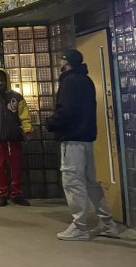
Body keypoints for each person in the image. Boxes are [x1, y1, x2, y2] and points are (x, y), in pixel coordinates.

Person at [47, 49, 120, 241]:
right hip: (86, 139)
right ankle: (107, 222)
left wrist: (51, 123)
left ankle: (80, 226)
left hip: (72, 140)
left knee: (73, 182)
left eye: (62, 60)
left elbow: (66, 111)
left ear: (67, 62)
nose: (59, 63)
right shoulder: (86, 81)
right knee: (90, 182)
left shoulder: (69, 81)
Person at [0, 68, 32, 206]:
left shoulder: (17, 97)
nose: (0, 83)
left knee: (15, 167)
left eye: (2, 80)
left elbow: (24, 116)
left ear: (7, 80)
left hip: (14, 137)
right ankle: (3, 194)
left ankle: (16, 194)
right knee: (0, 167)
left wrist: (27, 131)